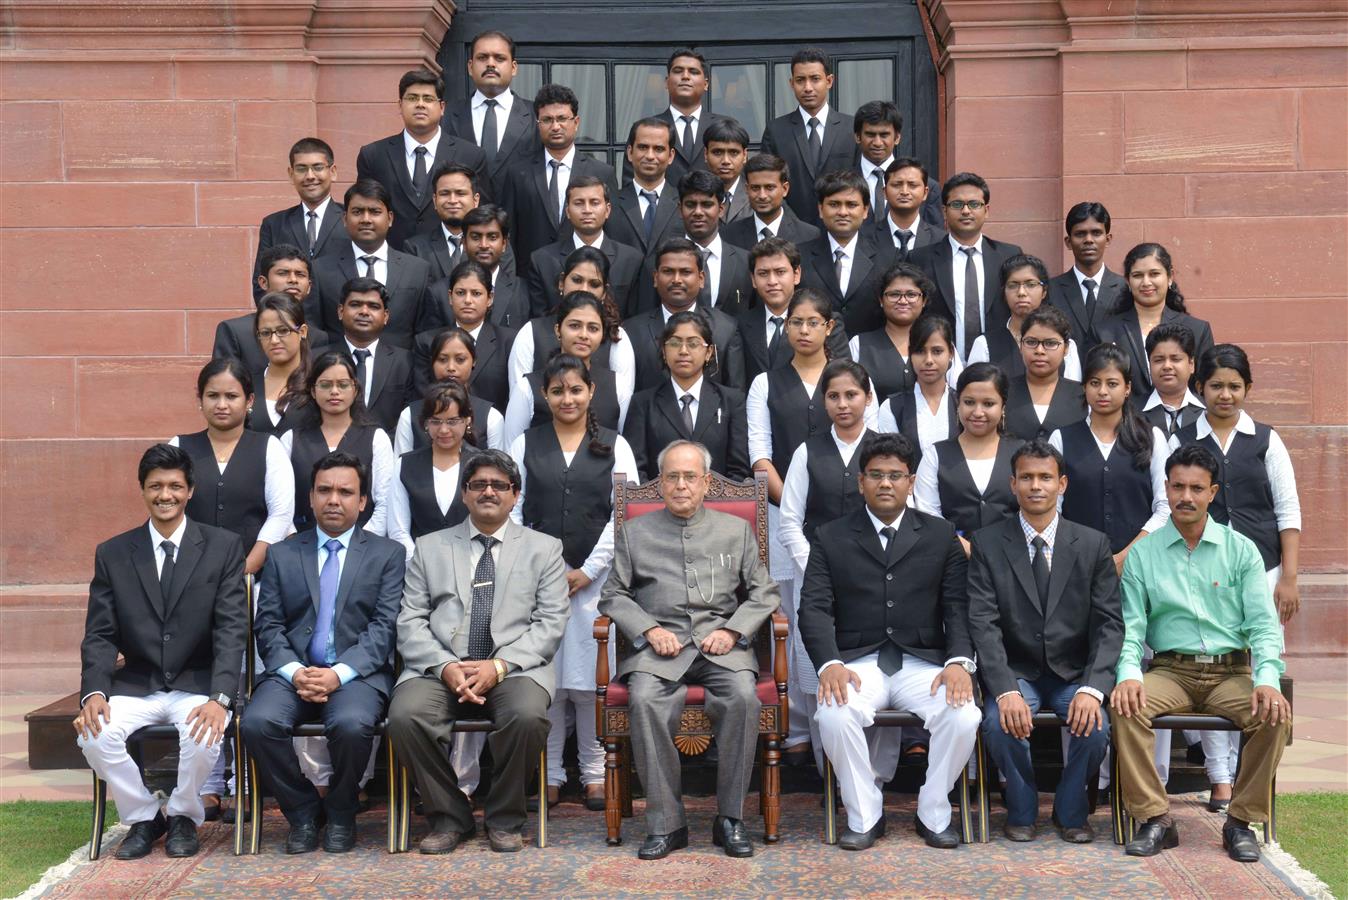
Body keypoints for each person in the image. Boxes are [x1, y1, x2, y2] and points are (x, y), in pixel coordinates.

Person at [598, 440, 781, 860]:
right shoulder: (635, 532)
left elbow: (764, 593)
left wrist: (734, 632)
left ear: (705, 484)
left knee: (741, 698)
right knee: (643, 699)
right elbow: (613, 595)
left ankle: (730, 819)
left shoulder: (736, 530)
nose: (681, 485)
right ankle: (667, 825)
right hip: (660, 650)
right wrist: (648, 628)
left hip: (722, 648)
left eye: (690, 477)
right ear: (661, 483)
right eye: (672, 477)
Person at [1111, 444, 1292, 863]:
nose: (1185, 497)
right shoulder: (1144, 553)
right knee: (1124, 707)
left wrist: (1266, 680)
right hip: (1170, 670)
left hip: (1231, 673)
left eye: (1196, 488)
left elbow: (1263, 626)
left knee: (1274, 713)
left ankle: (1241, 822)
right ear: (1166, 488)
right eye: (1177, 487)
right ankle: (1155, 818)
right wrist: (1128, 675)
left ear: (1213, 492)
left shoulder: (1241, 550)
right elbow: (1131, 627)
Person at [799, 433, 979, 851]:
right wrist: (830, 665)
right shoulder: (830, 536)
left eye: (895, 475)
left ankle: (933, 811)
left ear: (911, 481)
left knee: (964, 716)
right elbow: (814, 608)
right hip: (858, 661)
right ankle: (866, 814)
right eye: (876, 475)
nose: (885, 483)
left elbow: (958, 606)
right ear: (860, 481)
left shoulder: (941, 534)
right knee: (833, 715)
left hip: (923, 661)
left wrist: (958, 662)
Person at [388, 450, 569, 854]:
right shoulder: (430, 546)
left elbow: (551, 622)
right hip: (439, 666)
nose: (488, 492)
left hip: (514, 666)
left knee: (526, 716)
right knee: (405, 716)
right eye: (478, 485)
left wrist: (499, 666)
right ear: (465, 494)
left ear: (515, 495)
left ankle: (505, 818)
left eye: (499, 485)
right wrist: (445, 666)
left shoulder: (545, 549)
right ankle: (451, 817)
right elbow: (410, 619)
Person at [75, 444, 246, 860]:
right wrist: (94, 692)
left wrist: (220, 698)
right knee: (93, 736)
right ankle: (145, 816)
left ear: (190, 491)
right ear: (142, 490)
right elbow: (99, 633)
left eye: (174, 486)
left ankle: (185, 816)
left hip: (198, 682)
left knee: (205, 736)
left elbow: (231, 629)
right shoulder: (114, 553)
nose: (164, 495)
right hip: (138, 683)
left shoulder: (223, 547)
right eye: (155, 486)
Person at [241, 452, 404, 854]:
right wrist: (296, 673)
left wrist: (340, 673)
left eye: (346, 492)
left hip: (357, 675)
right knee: (257, 723)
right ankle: (302, 812)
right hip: (293, 672)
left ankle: (342, 810)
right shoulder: (282, 553)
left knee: (350, 725)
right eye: (325, 490)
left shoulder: (387, 555)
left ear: (362, 501)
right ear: (310, 498)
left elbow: (384, 628)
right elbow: (269, 626)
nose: (334, 500)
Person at [967, 440, 1123, 844]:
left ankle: (1070, 810)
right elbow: (983, 623)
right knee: (999, 725)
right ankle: (1022, 809)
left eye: (1046, 477)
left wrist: (1092, 688)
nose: (1036, 486)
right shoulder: (987, 544)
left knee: (1097, 727)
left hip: (1073, 672)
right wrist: (1003, 690)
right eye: (1027, 477)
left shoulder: (1092, 544)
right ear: (1013, 484)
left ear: (1063, 483)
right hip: (1017, 672)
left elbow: (1109, 624)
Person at [1175, 344, 1303, 809]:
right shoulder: (1185, 437)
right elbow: (1173, 502)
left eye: (1234, 386)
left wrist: (1288, 578)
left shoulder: (1266, 440)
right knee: (1212, 666)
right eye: (1215, 386)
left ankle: (1251, 776)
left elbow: (1287, 510)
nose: (1224, 394)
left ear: (1247, 389)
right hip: (1203, 571)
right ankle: (1220, 778)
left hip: (1263, 571)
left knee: (1258, 671)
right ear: (1200, 388)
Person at [509, 355, 639, 810]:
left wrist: (587, 570)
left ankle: (593, 771)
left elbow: (623, 514)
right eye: (558, 391)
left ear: (591, 392)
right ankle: (550, 771)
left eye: (576, 390)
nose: (568, 398)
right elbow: (513, 511)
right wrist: (542, 573)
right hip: (536, 582)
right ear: (545, 395)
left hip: (597, 581)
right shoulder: (525, 443)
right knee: (547, 681)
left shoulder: (614, 446)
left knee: (589, 681)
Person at [747, 287, 869, 758]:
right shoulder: (767, 382)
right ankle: (797, 733)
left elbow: (865, 455)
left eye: (811, 322)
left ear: (828, 327)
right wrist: (797, 496)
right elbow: (760, 454)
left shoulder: (849, 380)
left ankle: (838, 731)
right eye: (794, 322)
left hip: (852, 527)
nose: (802, 330)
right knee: (794, 623)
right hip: (788, 522)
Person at [777, 360, 879, 769]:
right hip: (816, 578)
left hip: (875, 580)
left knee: (866, 672)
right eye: (833, 396)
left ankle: (872, 770)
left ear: (868, 398)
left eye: (851, 395)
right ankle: (828, 770)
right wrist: (815, 567)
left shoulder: (883, 447)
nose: (843, 404)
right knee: (819, 670)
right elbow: (789, 520)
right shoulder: (808, 451)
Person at [173, 359, 294, 577]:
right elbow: (169, 510)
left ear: (249, 400)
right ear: (200, 399)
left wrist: (246, 569)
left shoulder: (269, 448)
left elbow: (281, 515)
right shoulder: (179, 447)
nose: (221, 405)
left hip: (256, 581)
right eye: (212, 396)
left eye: (231, 396)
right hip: (189, 577)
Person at [355, 68, 490, 250]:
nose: (420, 104)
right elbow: (364, 210)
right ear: (400, 105)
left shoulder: (471, 155)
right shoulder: (373, 155)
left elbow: (483, 215)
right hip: (392, 261)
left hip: (451, 262)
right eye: (412, 98)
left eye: (428, 99)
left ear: (442, 107)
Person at [908, 172, 1024, 362]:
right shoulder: (920, 258)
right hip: (941, 365)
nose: (966, 211)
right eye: (957, 204)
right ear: (944, 211)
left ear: (986, 210)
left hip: (1000, 361)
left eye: (974, 204)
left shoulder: (1009, 255)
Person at [623, 310, 750, 483]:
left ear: (709, 352)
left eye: (693, 343)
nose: (683, 351)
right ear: (663, 351)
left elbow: (739, 469)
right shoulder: (643, 403)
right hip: (658, 506)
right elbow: (637, 468)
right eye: (674, 343)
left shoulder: (731, 401)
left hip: (718, 506)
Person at [307, 179, 435, 350]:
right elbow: (315, 330)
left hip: (400, 372)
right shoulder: (320, 270)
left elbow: (424, 333)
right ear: (345, 219)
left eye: (374, 212)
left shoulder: (417, 270)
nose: (366, 219)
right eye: (358, 212)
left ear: (389, 218)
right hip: (338, 369)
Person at [500, 83, 618, 266]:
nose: (555, 126)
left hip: (588, 277)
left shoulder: (602, 172)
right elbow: (508, 234)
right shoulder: (518, 174)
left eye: (562, 118)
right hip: (532, 279)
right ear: (537, 124)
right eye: (547, 120)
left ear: (576, 122)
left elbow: (612, 232)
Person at [913, 362, 1025, 555]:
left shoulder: (1021, 453)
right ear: (958, 403)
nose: (978, 412)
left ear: (1003, 407)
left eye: (988, 404)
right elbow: (928, 515)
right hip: (952, 562)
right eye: (969, 402)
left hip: (1013, 560)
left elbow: (1033, 506)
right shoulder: (935, 455)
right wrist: (967, 549)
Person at [281, 352, 394, 535]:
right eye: (325, 385)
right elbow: (281, 503)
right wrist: (292, 538)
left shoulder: (376, 439)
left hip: (363, 545)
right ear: (313, 391)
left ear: (355, 389)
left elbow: (385, 502)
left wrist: (365, 543)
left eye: (343, 385)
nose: (334, 391)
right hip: (300, 546)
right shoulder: (291, 440)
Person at [504, 292, 632, 447]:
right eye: (574, 326)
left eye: (593, 328)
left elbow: (625, 447)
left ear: (602, 334)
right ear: (558, 330)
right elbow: (511, 453)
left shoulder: (618, 385)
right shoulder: (527, 386)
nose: (584, 335)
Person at [625, 238, 746, 393]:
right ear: (655, 278)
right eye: (668, 271)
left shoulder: (725, 329)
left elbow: (735, 395)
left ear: (701, 279)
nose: (676, 280)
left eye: (685, 272)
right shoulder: (632, 332)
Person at [1096, 242, 1214, 400]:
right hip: (1126, 421)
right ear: (1128, 281)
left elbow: (1207, 385)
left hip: (1184, 421)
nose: (1146, 282)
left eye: (1154, 274)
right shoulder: (1105, 331)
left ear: (1170, 276)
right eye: (1138, 275)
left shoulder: (1197, 329)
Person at [510, 246, 636, 389]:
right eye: (577, 280)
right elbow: (519, 392)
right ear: (561, 282)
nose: (584, 289)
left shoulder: (617, 337)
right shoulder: (531, 332)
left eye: (594, 284)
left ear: (604, 292)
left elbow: (623, 398)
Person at [759, 48, 858, 228]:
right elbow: (768, 182)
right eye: (800, 80)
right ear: (791, 83)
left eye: (815, 79)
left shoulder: (851, 128)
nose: (807, 88)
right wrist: (794, 225)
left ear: (829, 81)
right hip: (791, 232)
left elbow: (861, 182)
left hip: (842, 229)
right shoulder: (776, 130)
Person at [525, 176, 644, 318]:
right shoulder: (542, 260)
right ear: (568, 211)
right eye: (579, 203)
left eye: (594, 203)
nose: (587, 210)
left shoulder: (631, 260)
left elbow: (635, 319)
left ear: (607, 210)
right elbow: (541, 321)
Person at [388, 380, 482, 557]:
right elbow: (398, 530)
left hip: (472, 563)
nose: (444, 430)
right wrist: (422, 564)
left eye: (453, 421)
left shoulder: (481, 465)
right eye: (436, 421)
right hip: (418, 567)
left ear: (467, 420)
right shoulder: (405, 465)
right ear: (425, 423)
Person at [798, 169, 897, 336]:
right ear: (821, 209)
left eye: (851, 205)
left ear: (865, 210)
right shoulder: (800, 256)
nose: (843, 212)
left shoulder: (888, 257)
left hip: (869, 356)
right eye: (834, 204)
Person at [441, 30, 539, 197]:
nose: (490, 64)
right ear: (470, 67)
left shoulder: (536, 115)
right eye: (482, 57)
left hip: (520, 219)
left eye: (499, 58)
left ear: (514, 68)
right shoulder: (447, 114)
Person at [737, 237, 848, 383]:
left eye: (780, 272)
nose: (772, 281)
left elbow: (843, 377)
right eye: (763, 273)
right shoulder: (740, 324)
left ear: (796, 275)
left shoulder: (825, 321)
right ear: (753, 279)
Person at [414, 259, 518, 412]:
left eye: (476, 294)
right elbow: (422, 397)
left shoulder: (509, 341)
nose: (467, 300)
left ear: (490, 298)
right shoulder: (426, 342)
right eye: (461, 293)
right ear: (450, 297)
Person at [849, 261, 959, 400]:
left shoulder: (941, 344)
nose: (902, 301)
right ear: (881, 300)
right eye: (894, 294)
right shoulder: (859, 344)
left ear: (924, 300)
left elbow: (958, 394)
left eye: (911, 294)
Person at [251, 138, 345, 299]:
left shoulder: (351, 219)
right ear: (291, 174)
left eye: (318, 167)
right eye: (301, 169)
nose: (310, 176)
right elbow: (261, 285)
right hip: (289, 320)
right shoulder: (274, 224)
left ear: (333, 172)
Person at [968, 254, 1082, 382]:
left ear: (1044, 291)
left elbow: (1073, 393)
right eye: (1013, 285)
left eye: (1030, 284)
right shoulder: (985, 344)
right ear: (1004, 293)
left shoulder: (1065, 345)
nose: (1021, 292)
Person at [653, 169, 751, 316]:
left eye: (706, 204)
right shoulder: (659, 262)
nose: (698, 212)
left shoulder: (745, 262)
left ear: (721, 209)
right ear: (680, 209)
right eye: (691, 204)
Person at [417, 204, 531, 330]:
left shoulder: (523, 291)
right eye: (475, 237)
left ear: (504, 244)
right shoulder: (438, 293)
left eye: (492, 237)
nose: (483, 245)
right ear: (464, 243)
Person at [220, 244, 329, 373]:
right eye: (283, 273)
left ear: (309, 286)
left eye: (300, 274)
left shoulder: (319, 337)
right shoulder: (235, 331)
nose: (293, 280)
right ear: (263, 282)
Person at [620, 50, 719, 189]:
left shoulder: (721, 127)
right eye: (678, 71)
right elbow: (631, 185)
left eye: (693, 72)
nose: (685, 76)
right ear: (667, 82)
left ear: (706, 84)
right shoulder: (645, 129)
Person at [395, 327, 504, 454]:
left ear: (474, 361)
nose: (451, 367)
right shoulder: (409, 415)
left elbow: (497, 469)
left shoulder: (491, 416)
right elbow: (401, 467)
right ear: (432, 362)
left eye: (460, 360)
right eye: (442, 360)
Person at [877, 315, 961, 462]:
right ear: (910, 354)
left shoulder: (963, 403)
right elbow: (891, 464)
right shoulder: (893, 407)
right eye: (920, 351)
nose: (928, 360)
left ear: (951, 354)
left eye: (937, 351)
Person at [335, 277, 414, 433]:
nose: (364, 311)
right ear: (340, 311)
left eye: (373, 306)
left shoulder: (405, 362)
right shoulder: (317, 358)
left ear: (385, 316)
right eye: (355, 304)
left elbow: (409, 416)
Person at [1046, 202, 1125, 348]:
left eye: (1096, 233)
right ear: (1068, 242)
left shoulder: (1125, 289)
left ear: (1108, 239)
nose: (1088, 240)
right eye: (1080, 234)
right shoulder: (1050, 290)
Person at [1003, 305, 1085, 441]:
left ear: (1066, 349)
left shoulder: (1083, 395)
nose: (1039, 350)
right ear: (1021, 346)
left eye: (1050, 343)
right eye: (1031, 342)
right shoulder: (1002, 392)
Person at [852, 102, 942, 226]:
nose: (877, 142)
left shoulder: (929, 188)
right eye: (870, 135)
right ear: (857, 137)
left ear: (897, 138)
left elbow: (934, 238)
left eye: (884, 135)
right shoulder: (839, 186)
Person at [606, 118, 683, 259]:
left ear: (671, 156)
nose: (650, 156)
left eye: (658, 149)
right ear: (630, 152)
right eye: (643, 147)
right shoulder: (609, 204)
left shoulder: (685, 204)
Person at [721, 153, 820, 250]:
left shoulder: (808, 235)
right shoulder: (728, 236)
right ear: (747, 189)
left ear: (785, 189)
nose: (762, 196)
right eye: (755, 188)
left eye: (769, 187)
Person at [402, 163, 480, 282]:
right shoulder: (415, 248)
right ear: (435, 200)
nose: (452, 200)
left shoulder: (493, 245)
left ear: (475, 200)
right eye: (445, 193)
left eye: (460, 193)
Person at [867, 156, 945, 258]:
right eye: (896, 185)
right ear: (884, 192)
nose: (904, 192)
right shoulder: (865, 238)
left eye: (912, 185)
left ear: (925, 193)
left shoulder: (941, 240)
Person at [1140, 323, 1205, 438]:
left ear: (1191, 364)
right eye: (1159, 360)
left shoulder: (1208, 411)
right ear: (1149, 365)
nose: (1167, 366)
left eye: (1175, 359)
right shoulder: (1131, 413)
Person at [703, 117, 751, 222]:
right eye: (717, 152)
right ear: (706, 154)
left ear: (744, 155)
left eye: (733, 153)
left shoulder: (756, 194)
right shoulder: (693, 195)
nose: (725, 161)